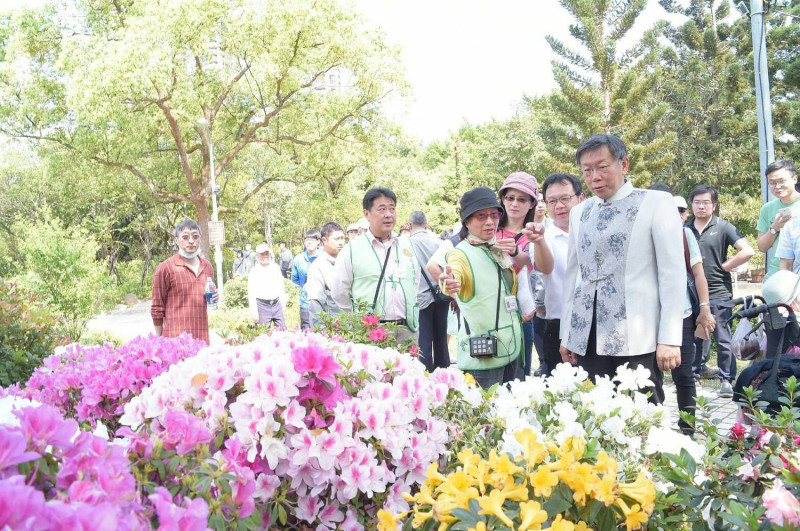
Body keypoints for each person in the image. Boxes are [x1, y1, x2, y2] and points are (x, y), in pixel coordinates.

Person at [559, 134, 685, 404]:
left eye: (603, 167)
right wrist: (568, 334)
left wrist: (670, 339)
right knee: (593, 414)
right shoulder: (579, 212)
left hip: (637, 336)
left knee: (642, 417)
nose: (595, 177)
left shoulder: (656, 203)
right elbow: (573, 277)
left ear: (624, 164)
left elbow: (672, 275)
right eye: (587, 170)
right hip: (588, 335)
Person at [439, 187, 524, 388]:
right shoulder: (460, 254)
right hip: (484, 357)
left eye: (494, 215)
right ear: (467, 221)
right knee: (487, 417)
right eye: (481, 216)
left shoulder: (497, 248)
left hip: (512, 348)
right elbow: (453, 274)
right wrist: (448, 283)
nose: (489, 221)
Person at [651, 183, 717, 434]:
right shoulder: (639, 233)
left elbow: (699, 275)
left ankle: (688, 429)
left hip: (682, 314)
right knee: (649, 377)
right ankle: (652, 431)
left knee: (684, 376)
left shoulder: (684, 234)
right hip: (647, 317)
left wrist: (704, 308)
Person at [686, 184, 754, 398]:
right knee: (695, 336)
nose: (701, 206)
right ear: (692, 205)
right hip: (691, 292)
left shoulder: (723, 227)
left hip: (719, 290)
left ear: (714, 205)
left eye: (706, 202)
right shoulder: (685, 228)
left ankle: (726, 378)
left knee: (722, 336)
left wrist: (725, 266)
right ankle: (694, 375)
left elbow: (748, 250)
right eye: (697, 202)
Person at [332, 188, 420, 343]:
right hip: (371, 331)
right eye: (382, 209)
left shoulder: (407, 244)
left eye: (392, 209)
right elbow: (340, 292)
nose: (388, 214)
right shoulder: (352, 250)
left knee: (410, 367)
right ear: (367, 214)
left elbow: (415, 280)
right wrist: (355, 322)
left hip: (407, 329)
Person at [523, 173, 585, 377]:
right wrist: (539, 241)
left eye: (565, 199)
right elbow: (545, 267)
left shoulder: (595, 231)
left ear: (581, 198)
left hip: (595, 322)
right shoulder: (542, 235)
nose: (559, 206)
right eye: (552, 201)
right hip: (558, 323)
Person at [496, 172, 539, 377]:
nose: (514, 204)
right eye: (510, 198)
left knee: (519, 375)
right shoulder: (489, 228)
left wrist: (514, 252)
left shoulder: (535, 233)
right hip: (492, 312)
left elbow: (532, 263)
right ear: (502, 199)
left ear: (531, 203)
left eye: (522, 199)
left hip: (522, 313)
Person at [151, 219, 216, 344]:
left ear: (200, 239)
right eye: (185, 237)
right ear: (176, 240)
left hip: (201, 340)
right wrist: (159, 340)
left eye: (195, 236)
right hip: (175, 342)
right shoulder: (166, 268)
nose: (191, 241)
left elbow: (206, 301)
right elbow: (157, 308)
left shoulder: (207, 267)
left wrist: (214, 298)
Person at [409, 211, 451, 372]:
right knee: (441, 336)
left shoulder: (407, 243)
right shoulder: (439, 241)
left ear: (410, 226)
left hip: (421, 297)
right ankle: (444, 371)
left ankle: (425, 374)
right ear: (426, 225)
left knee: (424, 338)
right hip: (441, 294)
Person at [757, 160, 800, 278]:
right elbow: (762, 247)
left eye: (781, 181)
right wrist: (775, 227)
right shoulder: (767, 208)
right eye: (772, 182)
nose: (777, 186)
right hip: (776, 275)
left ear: (794, 179)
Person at [306, 222, 345, 328]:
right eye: (336, 239)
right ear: (324, 240)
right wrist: (323, 334)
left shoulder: (347, 262)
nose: (341, 242)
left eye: (342, 238)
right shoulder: (318, 267)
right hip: (333, 330)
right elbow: (315, 305)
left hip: (351, 328)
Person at [247, 243, 287, 329]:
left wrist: (283, 303)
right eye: (262, 254)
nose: (265, 256)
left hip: (276, 304)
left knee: (283, 332)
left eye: (266, 253)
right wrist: (254, 312)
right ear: (257, 255)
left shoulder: (275, 268)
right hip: (262, 306)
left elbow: (281, 287)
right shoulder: (254, 272)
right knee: (264, 336)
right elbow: (251, 294)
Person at [291, 229, 321, 330]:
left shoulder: (324, 257)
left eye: (312, 239)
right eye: (307, 239)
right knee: (306, 331)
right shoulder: (298, 259)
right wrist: (306, 286)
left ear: (318, 241)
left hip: (323, 302)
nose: (309, 242)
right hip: (306, 302)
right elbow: (294, 279)